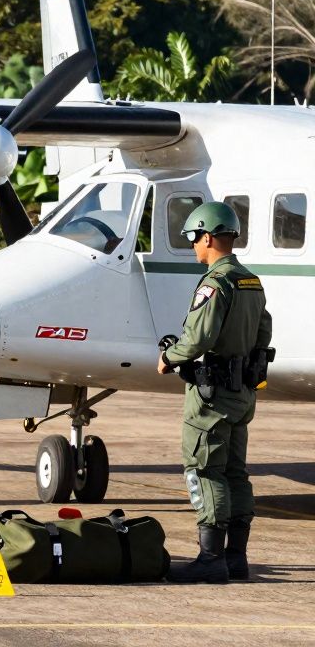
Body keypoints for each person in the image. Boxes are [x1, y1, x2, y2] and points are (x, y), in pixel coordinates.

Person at [158, 201, 272, 584]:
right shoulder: (250, 281)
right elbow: (263, 334)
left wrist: (168, 356)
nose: (193, 247)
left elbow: (198, 338)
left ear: (208, 237)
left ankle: (210, 559)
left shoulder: (215, 283)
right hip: (242, 393)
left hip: (211, 397)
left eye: (194, 239)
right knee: (236, 473)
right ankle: (235, 558)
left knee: (205, 470)